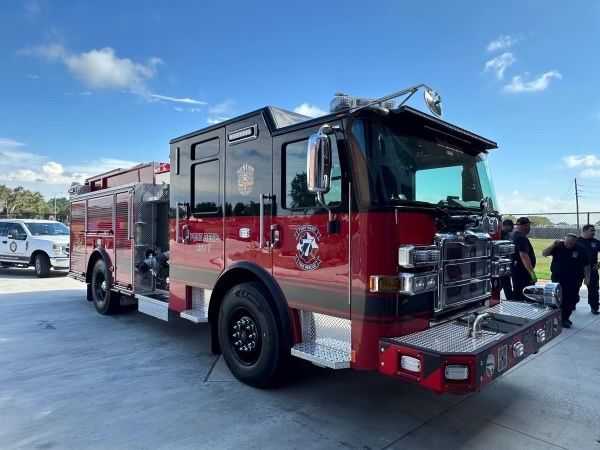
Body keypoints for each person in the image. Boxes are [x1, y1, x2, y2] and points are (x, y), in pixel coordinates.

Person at [543, 234, 588, 328]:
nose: (569, 245)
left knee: (571, 299)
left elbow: (586, 265)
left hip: (575, 279)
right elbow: (544, 253)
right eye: (567, 242)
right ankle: (557, 318)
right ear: (564, 240)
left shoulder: (581, 249)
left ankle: (565, 318)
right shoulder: (558, 246)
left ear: (575, 242)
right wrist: (553, 245)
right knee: (558, 298)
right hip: (558, 278)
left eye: (572, 243)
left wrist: (587, 278)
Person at [511, 217, 537, 300]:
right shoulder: (521, 238)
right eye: (527, 225)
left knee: (518, 293)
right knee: (526, 295)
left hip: (516, 270)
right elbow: (524, 256)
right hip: (523, 273)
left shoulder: (514, 235)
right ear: (523, 226)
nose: (529, 228)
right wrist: (532, 274)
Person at [577, 224, 600, 315]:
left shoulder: (596, 242)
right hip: (578, 269)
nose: (594, 232)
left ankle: (594, 307)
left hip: (592, 269)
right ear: (585, 231)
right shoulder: (577, 241)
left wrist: (599, 264)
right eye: (592, 230)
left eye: (594, 230)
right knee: (573, 288)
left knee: (594, 289)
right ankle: (571, 303)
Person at [500, 219, 514, 298]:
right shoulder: (499, 235)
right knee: (505, 285)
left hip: (506, 264)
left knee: (505, 285)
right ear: (505, 226)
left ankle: (510, 299)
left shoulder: (507, 234)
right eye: (511, 227)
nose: (512, 229)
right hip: (501, 264)